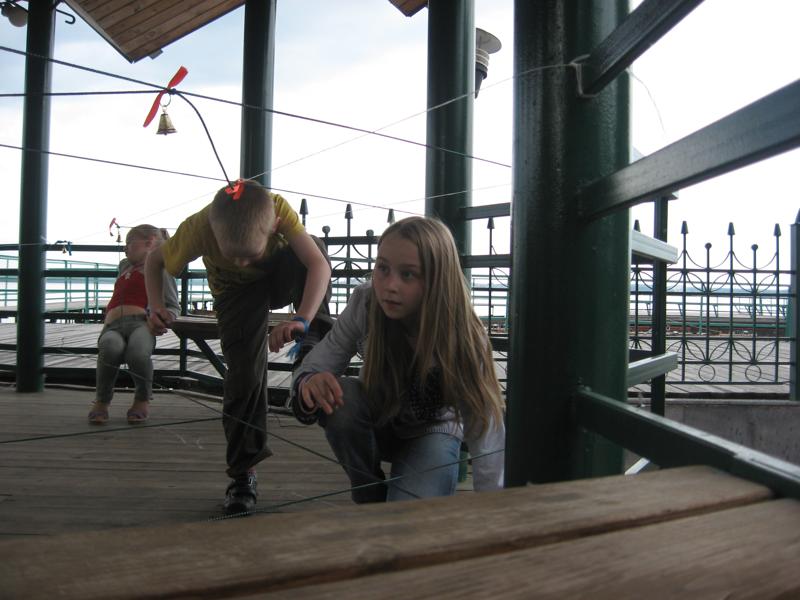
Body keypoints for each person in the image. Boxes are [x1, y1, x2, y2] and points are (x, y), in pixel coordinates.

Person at [144, 179, 332, 515]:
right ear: (212, 234)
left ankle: (312, 339)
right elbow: (153, 262)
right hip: (235, 294)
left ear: (274, 225)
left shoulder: (279, 211)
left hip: (276, 276)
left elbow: (318, 265)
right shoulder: (198, 228)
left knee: (312, 246)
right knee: (244, 378)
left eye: (250, 255)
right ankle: (244, 473)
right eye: (234, 256)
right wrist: (155, 306)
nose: (242, 262)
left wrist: (301, 319)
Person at [289, 216, 505, 503]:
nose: (390, 285)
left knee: (408, 520)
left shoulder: (464, 333)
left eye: (408, 274)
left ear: (437, 279)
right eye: (382, 268)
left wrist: (493, 505)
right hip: (377, 420)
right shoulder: (365, 302)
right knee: (344, 398)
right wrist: (309, 384)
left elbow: (484, 422)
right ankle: (368, 494)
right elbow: (314, 365)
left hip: (432, 431)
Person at [87, 224, 179, 425]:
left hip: (141, 324)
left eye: (130, 242)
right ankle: (102, 400)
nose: (125, 247)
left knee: (137, 353)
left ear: (149, 243)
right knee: (109, 347)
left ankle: (142, 399)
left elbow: (173, 305)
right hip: (113, 325)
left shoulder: (161, 270)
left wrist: (163, 319)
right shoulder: (124, 266)